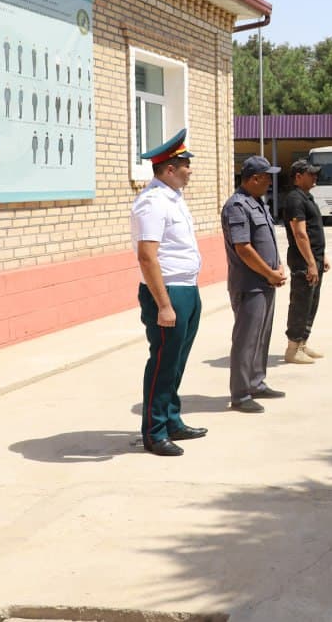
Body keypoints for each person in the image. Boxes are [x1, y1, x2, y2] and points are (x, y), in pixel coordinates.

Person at [131, 129, 205, 457]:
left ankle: (172, 419)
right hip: (168, 293)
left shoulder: (173, 198)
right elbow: (147, 255)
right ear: (170, 169)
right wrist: (163, 304)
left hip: (186, 289)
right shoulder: (152, 202)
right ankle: (154, 430)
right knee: (163, 362)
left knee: (177, 360)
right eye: (186, 164)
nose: (190, 169)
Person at [222, 156, 289, 412]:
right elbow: (244, 248)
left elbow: (267, 239)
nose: (270, 182)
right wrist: (268, 273)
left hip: (266, 281)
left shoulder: (257, 203)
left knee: (261, 336)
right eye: (267, 177)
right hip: (249, 284)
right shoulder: (237, 206)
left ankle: (256, 383)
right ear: (253, 179)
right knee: (246, 339)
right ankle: (240, 394)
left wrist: (278, 266)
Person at [283, 158, 330, 363]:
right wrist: (310, 263)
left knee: (312, 303)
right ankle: (293, 349)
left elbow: (312, 231)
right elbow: (300, 234)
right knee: (301, 304)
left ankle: (302, 343)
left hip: (314, 259)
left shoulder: (307, 197)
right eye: (311, 174)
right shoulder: (295, 199)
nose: (315, 177)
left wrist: (321, 256)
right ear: (298, 176)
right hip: (303, 262)